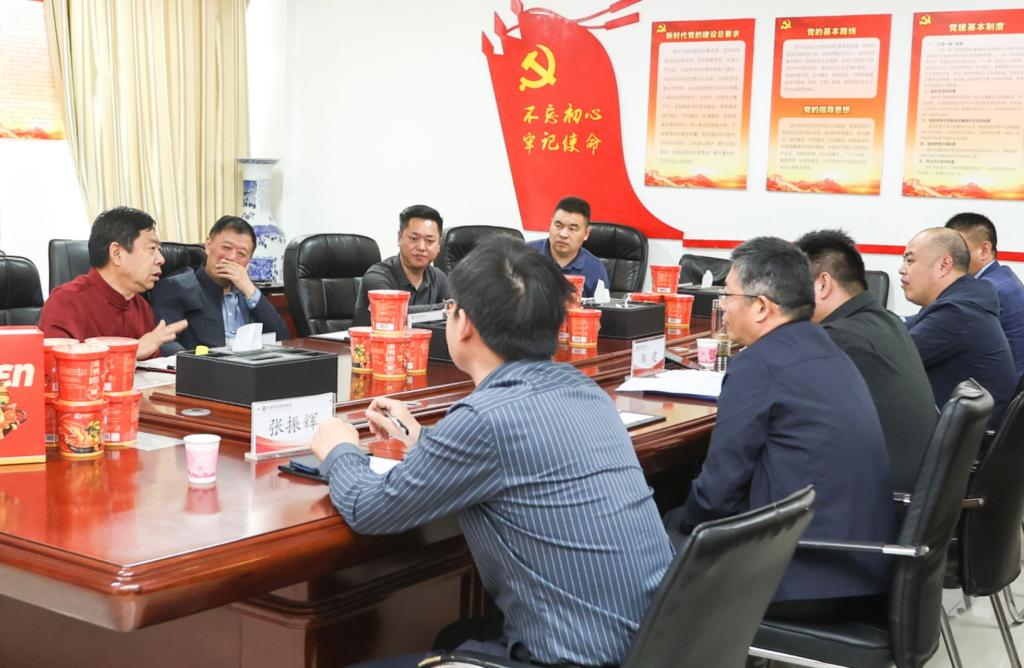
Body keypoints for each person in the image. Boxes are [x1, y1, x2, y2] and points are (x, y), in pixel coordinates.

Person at [311, 238, 673, 667]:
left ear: (463, 324)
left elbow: (368, 508)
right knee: (457, 634)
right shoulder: (585, 390)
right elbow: (516, 454)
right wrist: (423, 440)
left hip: (576, 659)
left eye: (450, 307)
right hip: (654, 647)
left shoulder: (485, 418)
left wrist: (339, 449)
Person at [663, 237, 894, 619]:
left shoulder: (760, 365)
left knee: (651, 539)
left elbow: (716, 496)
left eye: (728, 295)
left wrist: (673, 520)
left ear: (761, 307)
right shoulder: (826, 347)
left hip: (801, 575)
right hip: (860, 566)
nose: (722, 306)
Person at [795, 230, 936, 493]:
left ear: (822, 284)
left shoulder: (836, 339)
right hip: (914, 489)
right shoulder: (887, 321)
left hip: (875, 498)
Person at [900, 227, 1015, 429]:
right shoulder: (964, 299)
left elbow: (892, 358)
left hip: (952, 440)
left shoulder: (958, 314)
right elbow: (906, 326)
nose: (902, 269)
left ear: (944, 265)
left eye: (909, 260)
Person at [39, 206, 186, 358]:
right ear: (116, 254)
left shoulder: (140, 306)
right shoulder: (66, 301)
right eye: (152, 248)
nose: (161, 259)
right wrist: (132, 353)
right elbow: (56, 367)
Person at [149, 215, 289, 354]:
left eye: (242, 253)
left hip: (252, 365)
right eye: (226, 247)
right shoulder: (176, 287)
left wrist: (250, 290)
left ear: (249, 261)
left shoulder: (249, 292)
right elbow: (165, 343)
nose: (231, 257)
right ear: (208, 245)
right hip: (206, 365)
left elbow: (281, 338)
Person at [946, 212, 1024, 386]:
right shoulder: (1003, 276)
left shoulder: (986, 289)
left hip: (995, 391)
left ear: (984, 250)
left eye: (959, 251)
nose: (950, 260)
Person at [352, 204, 450, 326]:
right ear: (399, 238)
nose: (421, 247)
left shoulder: (438, 277)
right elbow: (392, 314)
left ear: (439, 244)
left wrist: (450, 309)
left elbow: (458, 312)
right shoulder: (377, 276)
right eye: (414, 238)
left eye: (429, 241)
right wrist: (445, 308)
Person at [527, 196, 610, 298]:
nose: (563, 234)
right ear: (551, 223)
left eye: (572, 229)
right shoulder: (526, 254)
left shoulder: (595, 268)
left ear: (586, 233)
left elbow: (603, 307)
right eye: (558, 226)